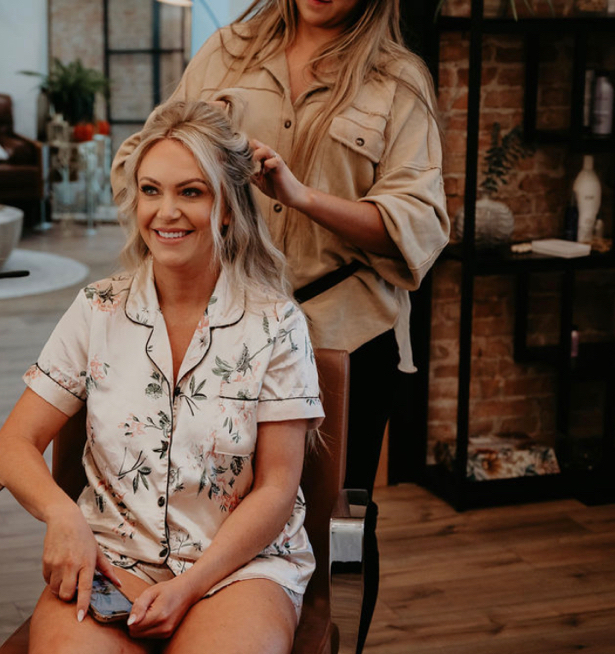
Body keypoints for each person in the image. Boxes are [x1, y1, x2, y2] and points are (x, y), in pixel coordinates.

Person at [0, 100, 324, 654]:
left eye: (190, 192)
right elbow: (12, 445)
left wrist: (190, 586)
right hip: (113, 560)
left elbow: (275, 490)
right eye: (151, 191)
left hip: (237, 569)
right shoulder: (96, 308)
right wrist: (62, 515)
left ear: (225, 207)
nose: (165, 212)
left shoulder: (276, 323)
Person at [113, 0, 450, 492]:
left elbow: (419, 223)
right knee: (212, 504)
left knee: (335, 523)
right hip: (219, 328)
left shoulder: (397, 80)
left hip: (343, 337)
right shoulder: (227, 53)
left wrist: (303, 197)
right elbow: (139, 161)